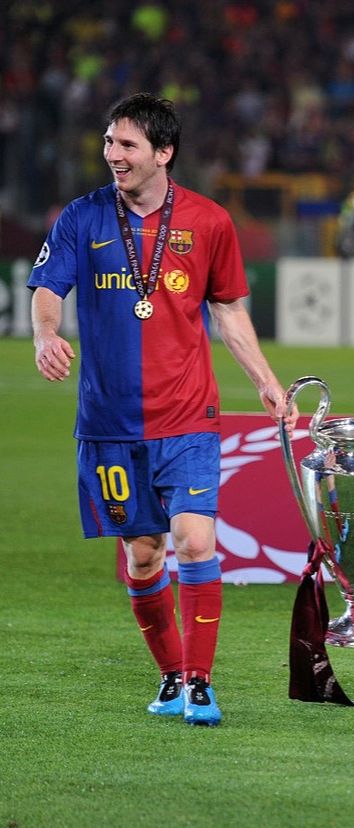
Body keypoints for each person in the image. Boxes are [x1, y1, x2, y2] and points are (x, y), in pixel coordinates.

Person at [29, 92, 295, 727]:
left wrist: (265, 380)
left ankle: (201, 683)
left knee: (194, 539)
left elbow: (229, 312)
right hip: (109, 426)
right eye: (108, 143)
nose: (112, 156)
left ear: (163, 153)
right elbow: (46, 286)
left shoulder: (208, 222)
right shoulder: (82, 217)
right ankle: (171, 674)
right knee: (142, 556)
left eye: (127, 145)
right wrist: (45, 334)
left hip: (188, 417)